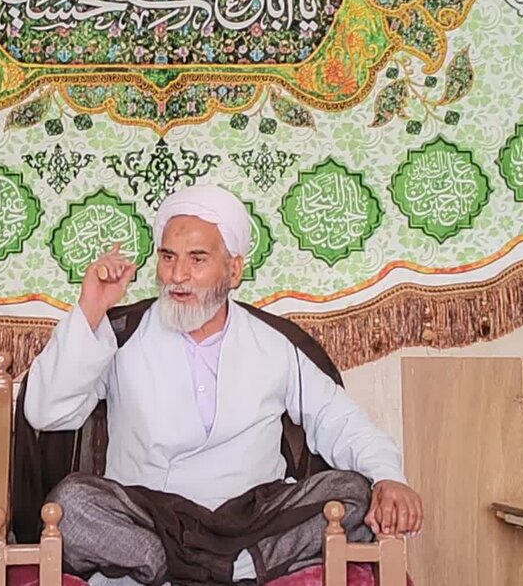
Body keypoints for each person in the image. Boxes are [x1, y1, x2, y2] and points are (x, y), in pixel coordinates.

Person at [23, 184, 422, 586]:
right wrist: (92, 307)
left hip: (252, 522)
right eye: (168, 257)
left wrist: (388, 476)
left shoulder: (273, 343)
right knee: (71, 505)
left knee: (353, 492)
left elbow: (338, 420)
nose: (178, 275)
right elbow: (46, 411)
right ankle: (220, 570)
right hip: (150, 518)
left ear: (233, 270)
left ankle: (197, 570)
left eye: (197, 259)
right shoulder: (123, 333)